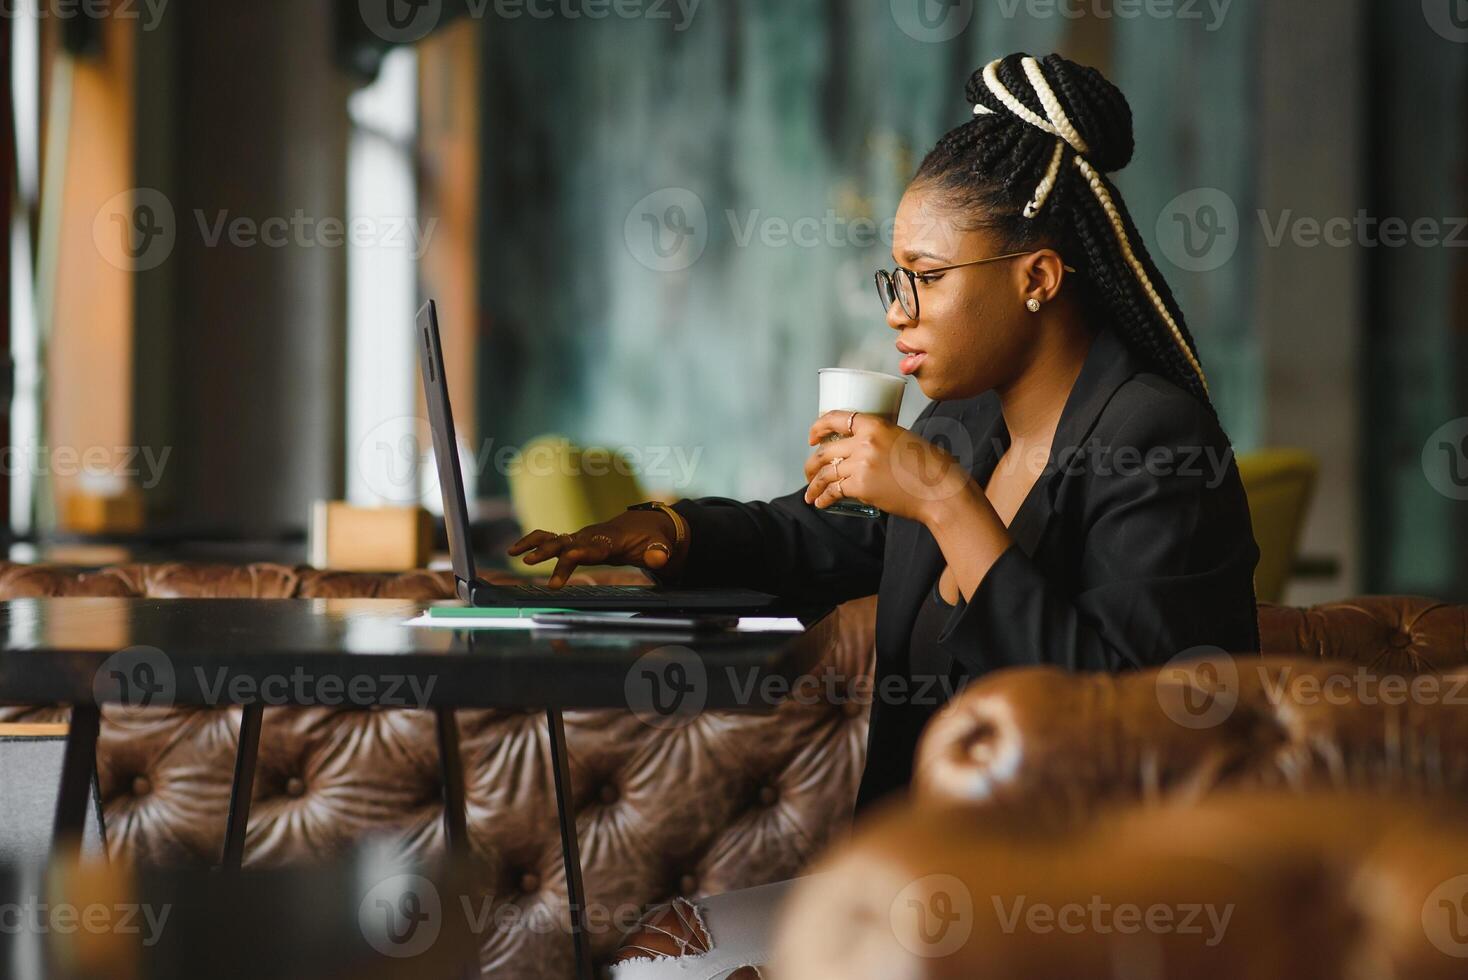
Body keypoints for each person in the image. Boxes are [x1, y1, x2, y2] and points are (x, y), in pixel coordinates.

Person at [508, 52, 1260, 813]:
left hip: (1067, 901)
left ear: (1037, 278)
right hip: (914, 880)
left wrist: (941, 498)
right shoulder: (965, 422)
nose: (898, 311)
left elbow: (1128, 722)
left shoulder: (1156, 439)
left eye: (928, 278)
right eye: (895, 278)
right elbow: (820, 537)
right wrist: (670, 530)